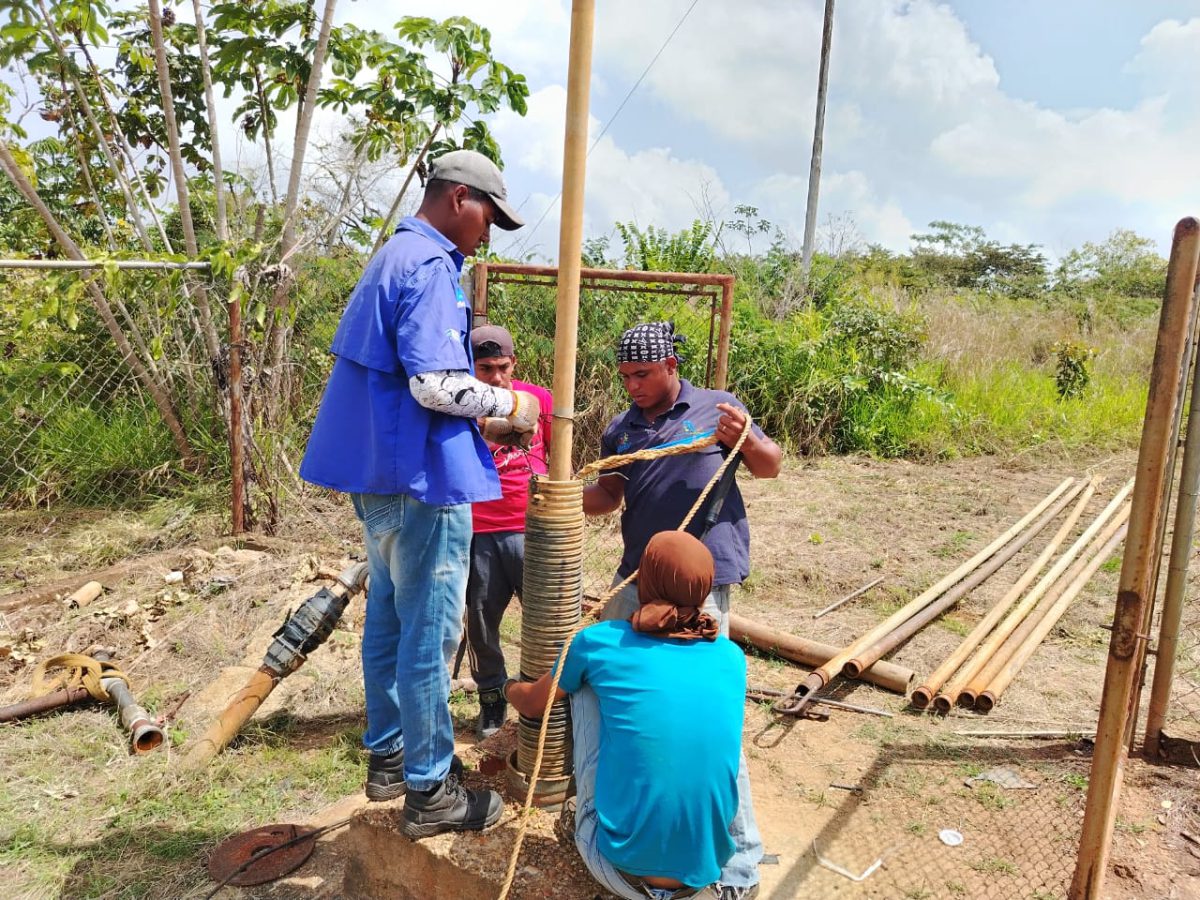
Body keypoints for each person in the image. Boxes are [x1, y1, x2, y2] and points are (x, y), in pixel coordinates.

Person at [299, 150, 536, 839]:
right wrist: (510, 401)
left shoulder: (390, 257)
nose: (489, 232)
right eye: (490, 214)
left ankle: (390, 758)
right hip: (420, 481)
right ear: (460, 198)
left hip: (377, 476)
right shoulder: (430, 265)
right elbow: (433, 383)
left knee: (391, 623)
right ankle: (431, 793)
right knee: (430, 633)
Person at [581, 320, 783, 899]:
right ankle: (639, 814)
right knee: (625, 694)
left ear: (671, 363)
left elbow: (770, 466)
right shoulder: (623, 429)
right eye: (624, 377)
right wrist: (562, 494)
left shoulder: (718, 410)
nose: (633, 386)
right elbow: (608, 498)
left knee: (704, 708)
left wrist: (748, 439)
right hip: (640, 576)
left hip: (703, 580)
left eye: (642, 374)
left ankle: (740, 863)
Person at [506, 531, 746, 900]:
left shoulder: (601, 642)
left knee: (583, 684)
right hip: (700, 878)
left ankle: (576, 812)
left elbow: (536, 703)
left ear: (644, 580)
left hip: (619, 870)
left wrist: (507, 688)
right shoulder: (731, 657)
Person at [464, 324, 553, 737]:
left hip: (531, 527)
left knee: (546, 620)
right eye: (485, 368)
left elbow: (555, 453)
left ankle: (547, 701)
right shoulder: (460, 403)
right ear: (471, 367)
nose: (495, 376)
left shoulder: (538, 400)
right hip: (478, 528)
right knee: (481, 621)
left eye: (502, 367)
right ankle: (493, 700)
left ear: (514, 363)